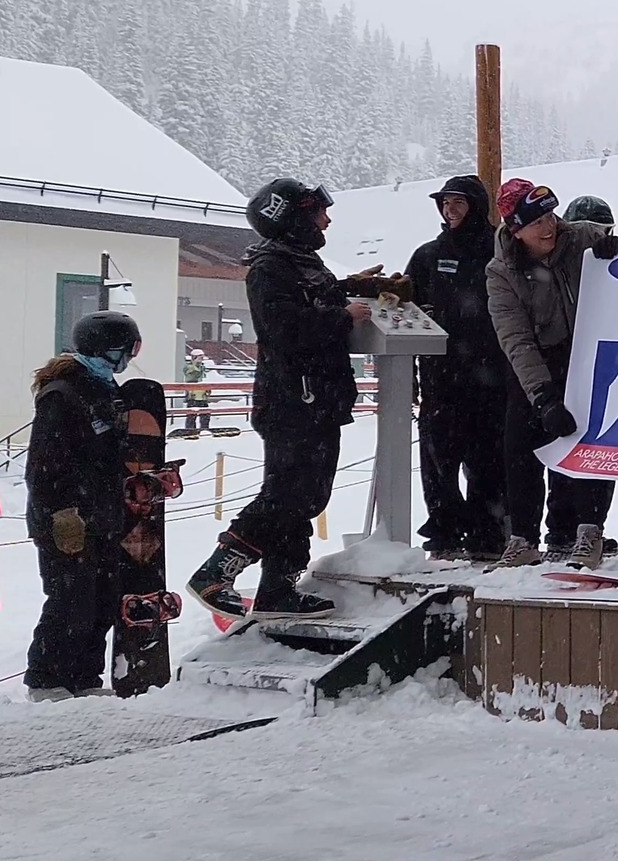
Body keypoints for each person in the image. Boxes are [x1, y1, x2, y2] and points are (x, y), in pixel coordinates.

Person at [189, 179, 382, 618]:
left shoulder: (298, 260)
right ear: (293, 219)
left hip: (317, 398)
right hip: (293, 400)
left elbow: (309, 300)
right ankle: (217, 570)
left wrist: (351, 286)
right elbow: (285, 328)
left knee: (306, 499)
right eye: (318, 213)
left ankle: (279, 588)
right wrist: (341, 316)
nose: (326, 221)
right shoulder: (269, 267)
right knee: (287, 495)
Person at [486, 180, 618, 569]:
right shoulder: (501, 272)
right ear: (515, 230)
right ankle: (523, 538)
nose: (548, 228)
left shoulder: (584, 239)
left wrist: (614, 254)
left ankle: (590, 531)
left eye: (550, 217)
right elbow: (515, 339)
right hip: (537, 361)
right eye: (536, 223)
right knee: (520, 442)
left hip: (589, 356)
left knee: (592, 443)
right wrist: (543, 397)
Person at [24, 312, 142, 699]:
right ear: (104, 349)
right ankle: (46, 679)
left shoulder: (105, 390)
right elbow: (44, 464)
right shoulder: (63, 394)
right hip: (66, 517)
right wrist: (62, 512)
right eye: (126, 350)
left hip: (101, 515)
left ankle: (83, 677)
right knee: (70, 599)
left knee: (103, 599)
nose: (128, 359)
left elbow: (107, 454)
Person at [404, 175, 508, 561]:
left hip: (491, 378)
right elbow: (404, 311)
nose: (450, 210)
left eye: (458, 203)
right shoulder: (427, 256)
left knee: (488, 462)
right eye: (445, 203)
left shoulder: (500, 251)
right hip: (440, 380)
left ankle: (488, 535)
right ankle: (444, 532)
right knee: (438, 463)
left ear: (476, 206)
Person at [181, 349, 212, 434]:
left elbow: (204, 379)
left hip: (202, 395)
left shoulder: (202, 368)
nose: (201, 359)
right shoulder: (189, 367)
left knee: (205, 414)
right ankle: (190, 431)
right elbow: (192, 377)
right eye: (199, 357)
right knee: (191, 415)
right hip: (193, 394)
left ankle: (204, 430)